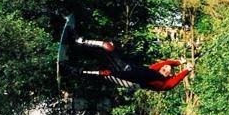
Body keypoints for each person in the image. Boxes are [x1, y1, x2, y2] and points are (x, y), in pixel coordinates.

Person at [64, 35, 192, 92]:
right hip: (127, 66)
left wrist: (187, 70)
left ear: (169, 75)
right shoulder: (153, 69)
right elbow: (167, 62)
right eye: (164, 67)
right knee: (107, 46)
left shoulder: (164, 84)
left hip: (130, 80)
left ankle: (75, 71)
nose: (164, 68)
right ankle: (78, 42)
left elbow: (175, 80)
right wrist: (179, 62)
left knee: (106, 73)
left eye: (166, 70)